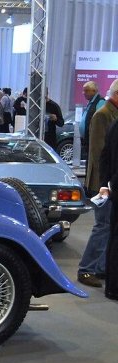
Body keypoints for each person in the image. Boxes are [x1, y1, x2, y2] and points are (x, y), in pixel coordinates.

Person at [78, 79, 118, 288]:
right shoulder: (103, 115)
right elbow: (99, 152)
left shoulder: (110, 113)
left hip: (108, 181)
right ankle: (86, 269)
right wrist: (106, 183)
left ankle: (101, 268)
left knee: (108, 226)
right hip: (103, 182)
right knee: (102, 226)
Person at [99, 110, 118, 299]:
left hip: (114, 187)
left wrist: (106, 184)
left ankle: (112, 286)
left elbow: (104, 157)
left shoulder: (114, 124)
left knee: (113, 237)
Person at [80, 81, 106, 161]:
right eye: (84, 90)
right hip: (88, 141)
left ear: (94, 91)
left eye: (86, 91)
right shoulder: (91, 102)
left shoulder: (100, 102)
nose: (84, 93)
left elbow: (100, 123)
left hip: (94, 142)